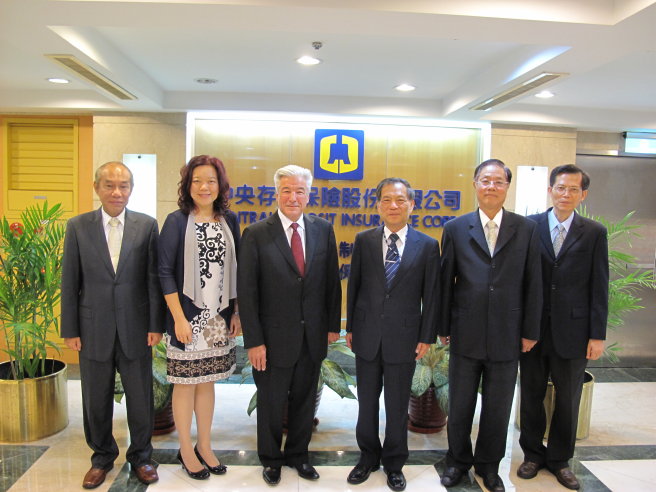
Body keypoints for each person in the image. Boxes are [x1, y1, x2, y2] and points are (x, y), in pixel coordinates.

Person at [438, 159, 542, 492]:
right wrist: (443, 326)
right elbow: (445, 282)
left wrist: (530, 331)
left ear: (507, 187)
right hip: (465, 332)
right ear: (474, 184)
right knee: (460, 405)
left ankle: (488, 466)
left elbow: (533, 283)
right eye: (485, 180)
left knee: (498, 408)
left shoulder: (526, 229)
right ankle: (457, 462)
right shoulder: (456, 228)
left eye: (498, 181)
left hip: (507, 335)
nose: (491, 187)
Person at [61, 161, 165, 489]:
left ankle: (141, 457)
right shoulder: (78, 227)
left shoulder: (147, 226)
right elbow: (70, 281)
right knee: (95, 398)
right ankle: (102, 457)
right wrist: (71, 329)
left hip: (136, 327)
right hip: (92, 328)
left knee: (140, 398)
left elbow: (153, 280)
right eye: (109, 185)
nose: (117, 192)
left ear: (131, 190)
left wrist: (155, 324)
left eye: (123, 186)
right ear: (97, 188)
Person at [237, 164, 341, 486]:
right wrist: (254, 341)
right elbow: (247, 292)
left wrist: (331, 327)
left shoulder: (323, 229)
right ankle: (271, 459)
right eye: (286, 190)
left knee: (304, 400)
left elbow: (331, 283)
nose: (293, 197)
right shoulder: (256, 233)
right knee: (270, 401)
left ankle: (299, 455)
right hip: (270, 340)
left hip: (312, 336)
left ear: (308, 195)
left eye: (299, 191)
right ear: (276, 193)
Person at [345, 178, 440, 492]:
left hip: (405, 339)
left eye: (400, 200)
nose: (394, 206)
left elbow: (432, 295)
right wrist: (350, 329)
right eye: (386, 200)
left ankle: (395, 463)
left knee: (398, 406)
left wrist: (426, 336)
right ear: (378, 205)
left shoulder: (427, 245)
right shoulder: (364, 240)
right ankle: (367, 457)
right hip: (367, 338)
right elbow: (355, 287)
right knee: (367, 404)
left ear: (412, 205)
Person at [518, 164, 608, 490]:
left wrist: (597, 335)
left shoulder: (594, 232)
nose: (565, 194)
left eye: (573, 189)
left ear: (582, 194)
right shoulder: (529, 226)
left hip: (575, 332)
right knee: (530, 395)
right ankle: (532, 454)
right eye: (560, 188)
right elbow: (522, 281)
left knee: (568, 400)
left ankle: (559, 460)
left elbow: (599, 285)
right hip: (533, 331)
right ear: (550, 190)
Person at [158, 155, 241, 480]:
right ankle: (185, 448)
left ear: (219, 185)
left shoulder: (228, 220)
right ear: (187, 185)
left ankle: (205, 445)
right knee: (184, 384)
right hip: (186, 317)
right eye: (197, 181)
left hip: (217, 318)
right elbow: (164, 272)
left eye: (210, 181)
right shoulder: (177, 221)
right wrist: (178, 317)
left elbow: (236, 269)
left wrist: (236, 311)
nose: (204, 187)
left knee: (206, 382)